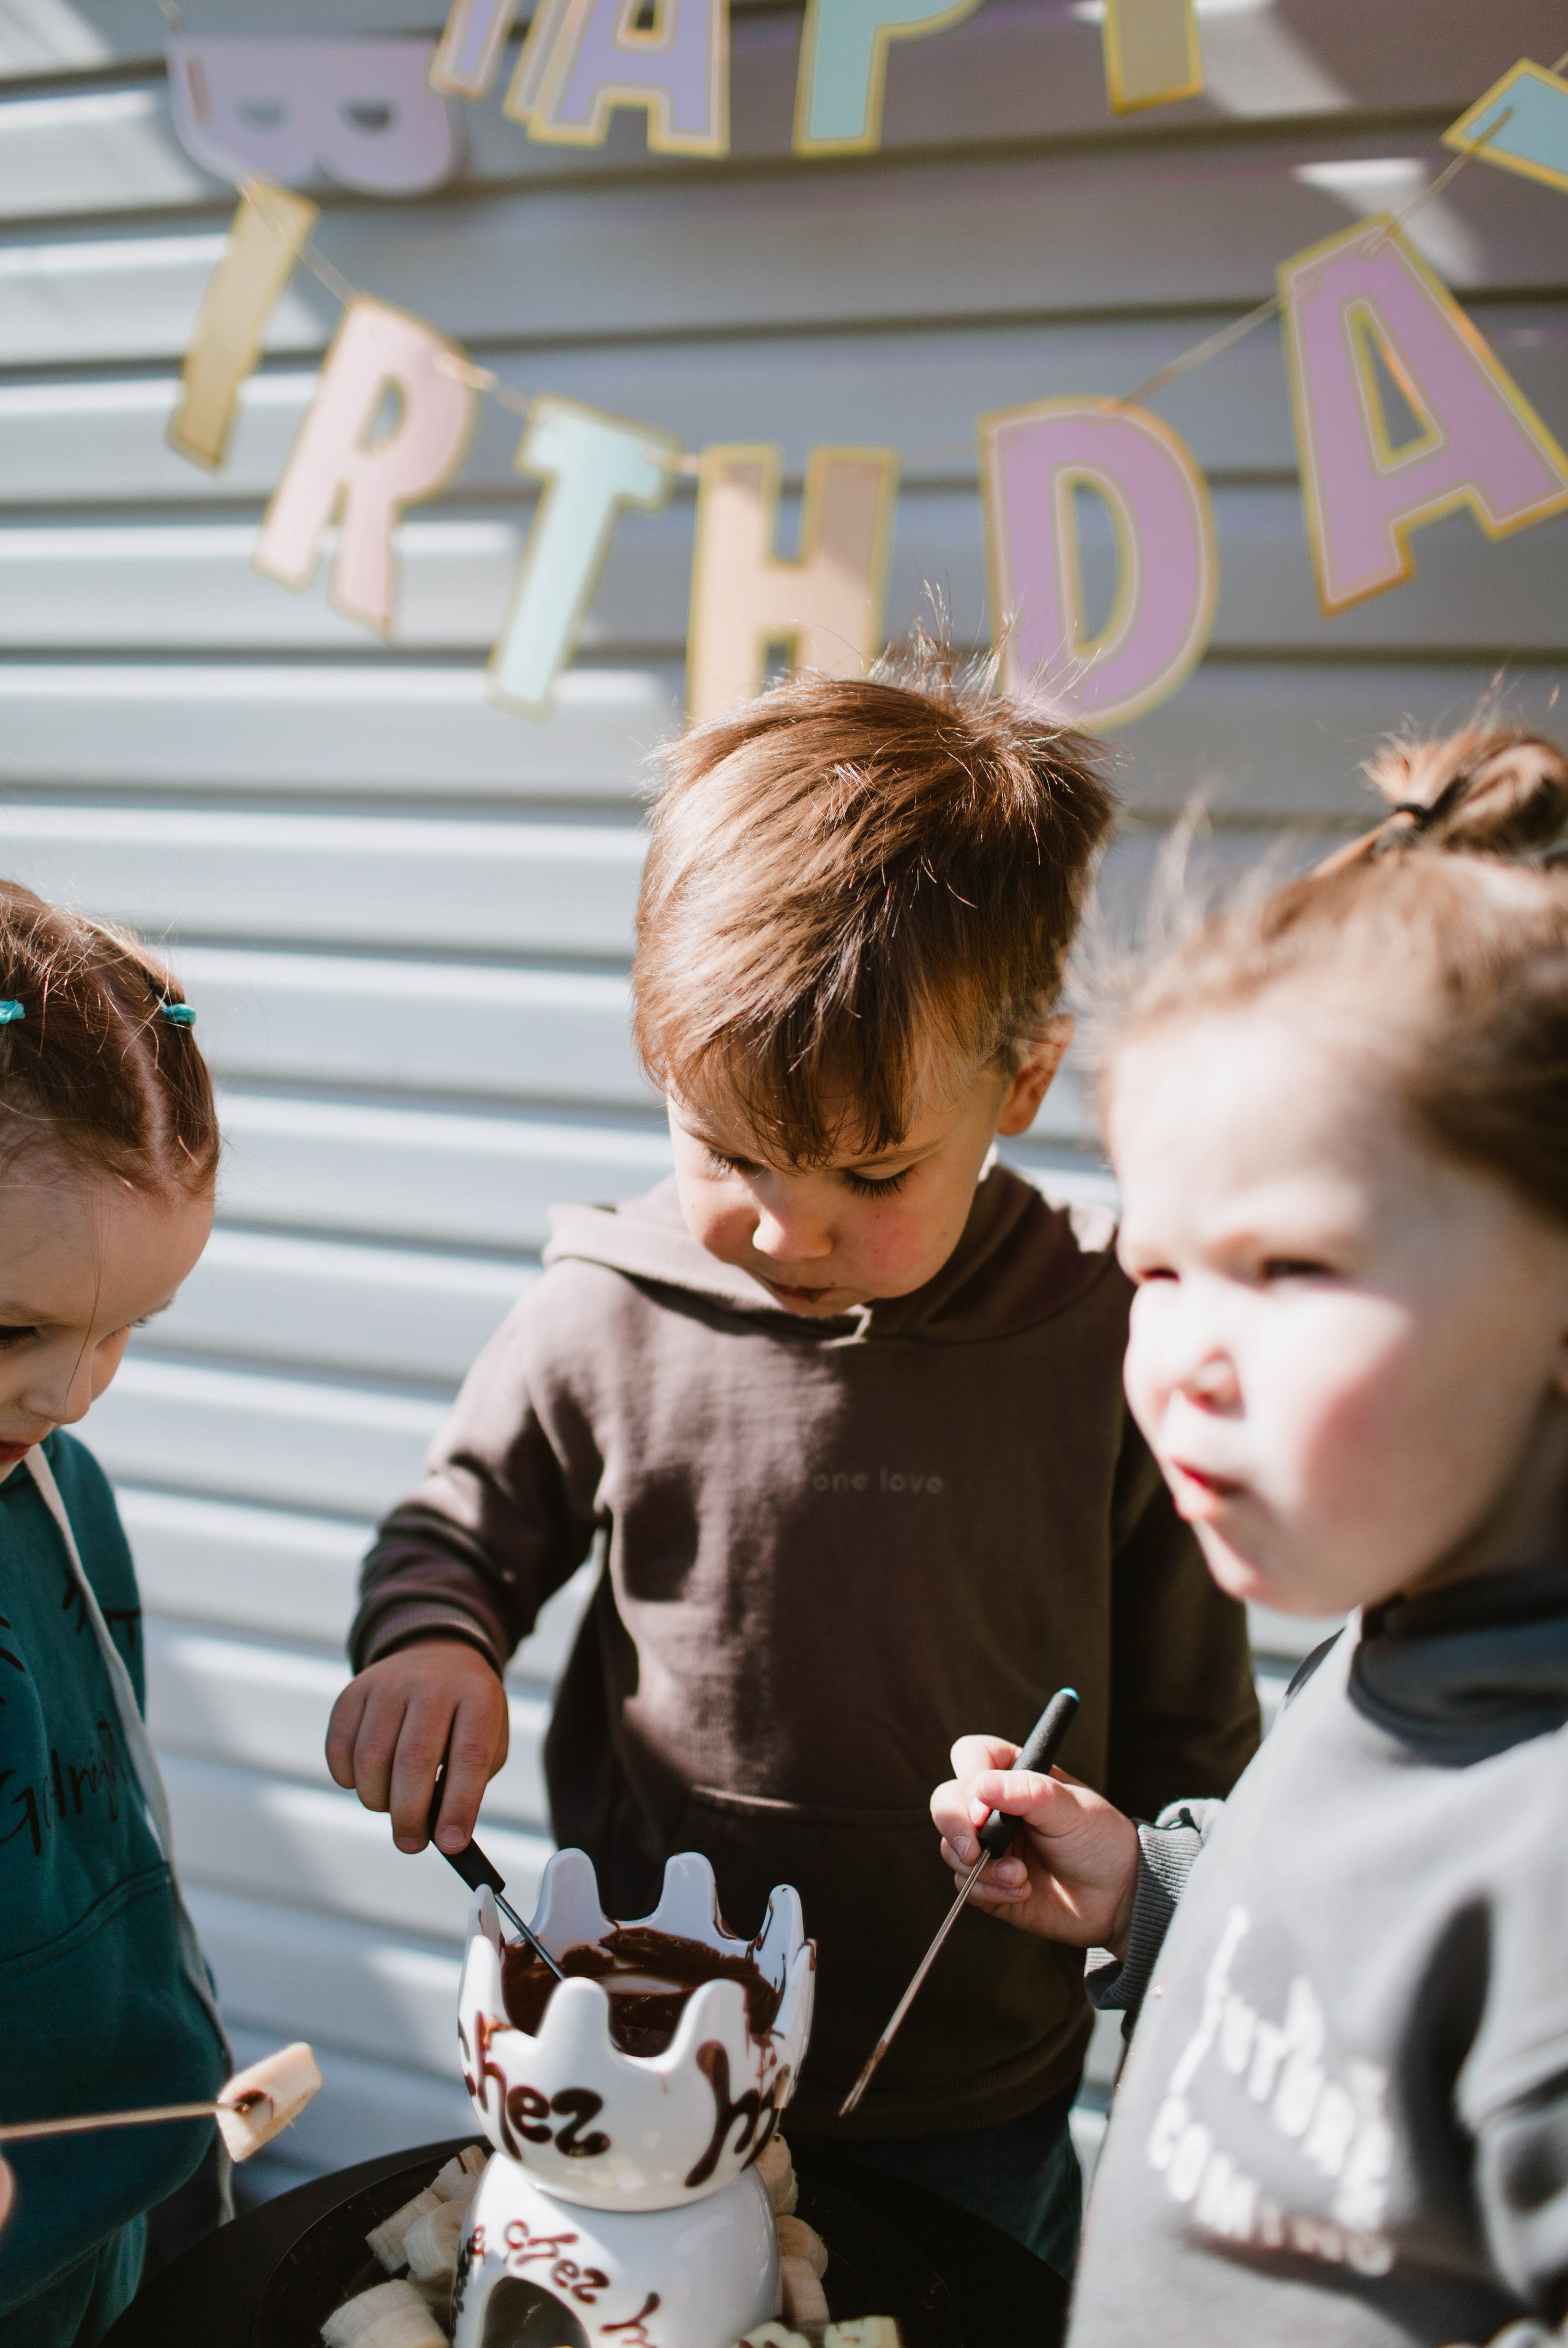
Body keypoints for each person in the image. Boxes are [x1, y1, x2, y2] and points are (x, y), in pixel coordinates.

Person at [327, 640, 1260, 2273]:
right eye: (730, 1153)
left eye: (870, 1172)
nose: (783, 1227)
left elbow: (1197, 1736)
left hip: (970, 2089)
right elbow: (455, 1531)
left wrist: (1183, 1945)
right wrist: (430, 1640)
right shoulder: (609, 1307)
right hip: (641, 2046)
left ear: (1022, 1081)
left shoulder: (1108, 1337)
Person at [931, 725, 1568, 2343]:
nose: (1184, 1363)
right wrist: (1152, 1892)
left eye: (1287, 1268)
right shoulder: (1385, 1645)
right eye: (1157, 1269)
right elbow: (1335, 1950)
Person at [0, 884, 229, 2347]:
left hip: (114, 2245)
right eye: (12, 1329)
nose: (70, 1395)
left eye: (124, 1329)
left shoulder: (55, 1484)